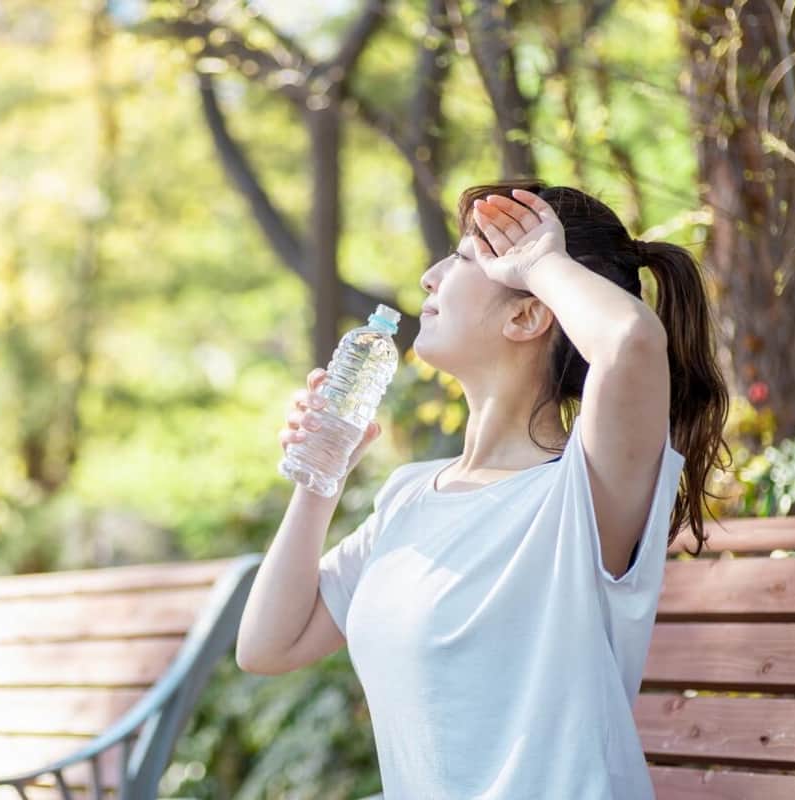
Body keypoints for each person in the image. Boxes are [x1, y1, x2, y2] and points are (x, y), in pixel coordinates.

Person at [235, 181, 730, 799]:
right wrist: (321, 474)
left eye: (466, 258)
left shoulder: (583, 491)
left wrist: (539, 261)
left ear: (527, 313)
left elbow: (630, 342)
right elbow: (266, 645)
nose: (429, 276)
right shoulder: (408, 497)